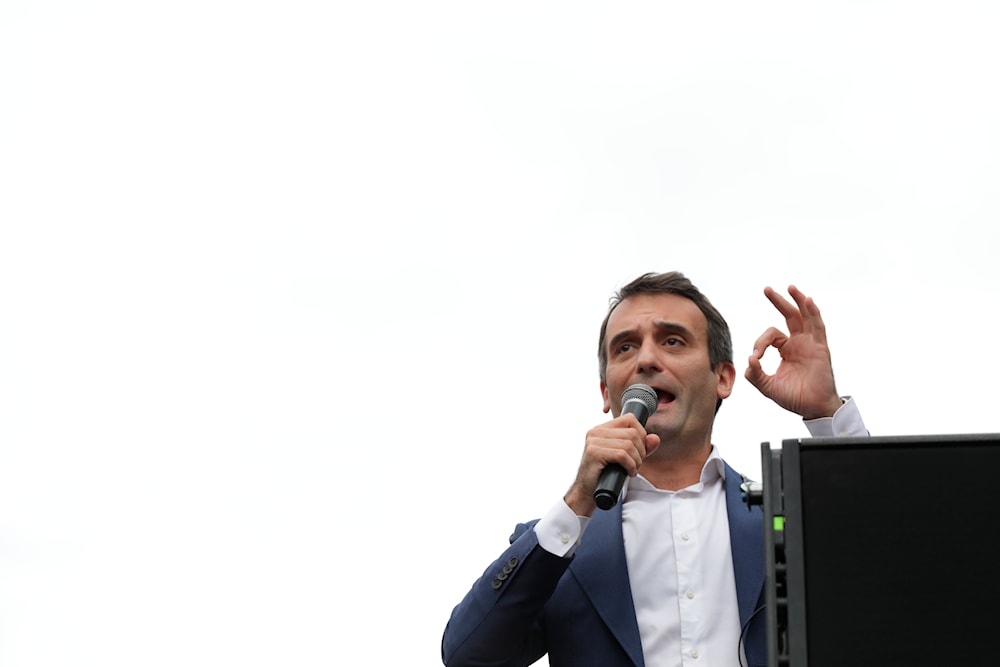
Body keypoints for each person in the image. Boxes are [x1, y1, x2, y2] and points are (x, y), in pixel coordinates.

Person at [440, 271, 868, 667]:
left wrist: (827, 414)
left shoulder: (786, 517)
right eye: (625, 347)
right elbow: (469, 655)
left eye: (673, 342)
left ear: (723, 377)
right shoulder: (559, 546)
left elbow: (900, 570)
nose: (645, 359)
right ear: (607, 391)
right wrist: (578, 503)